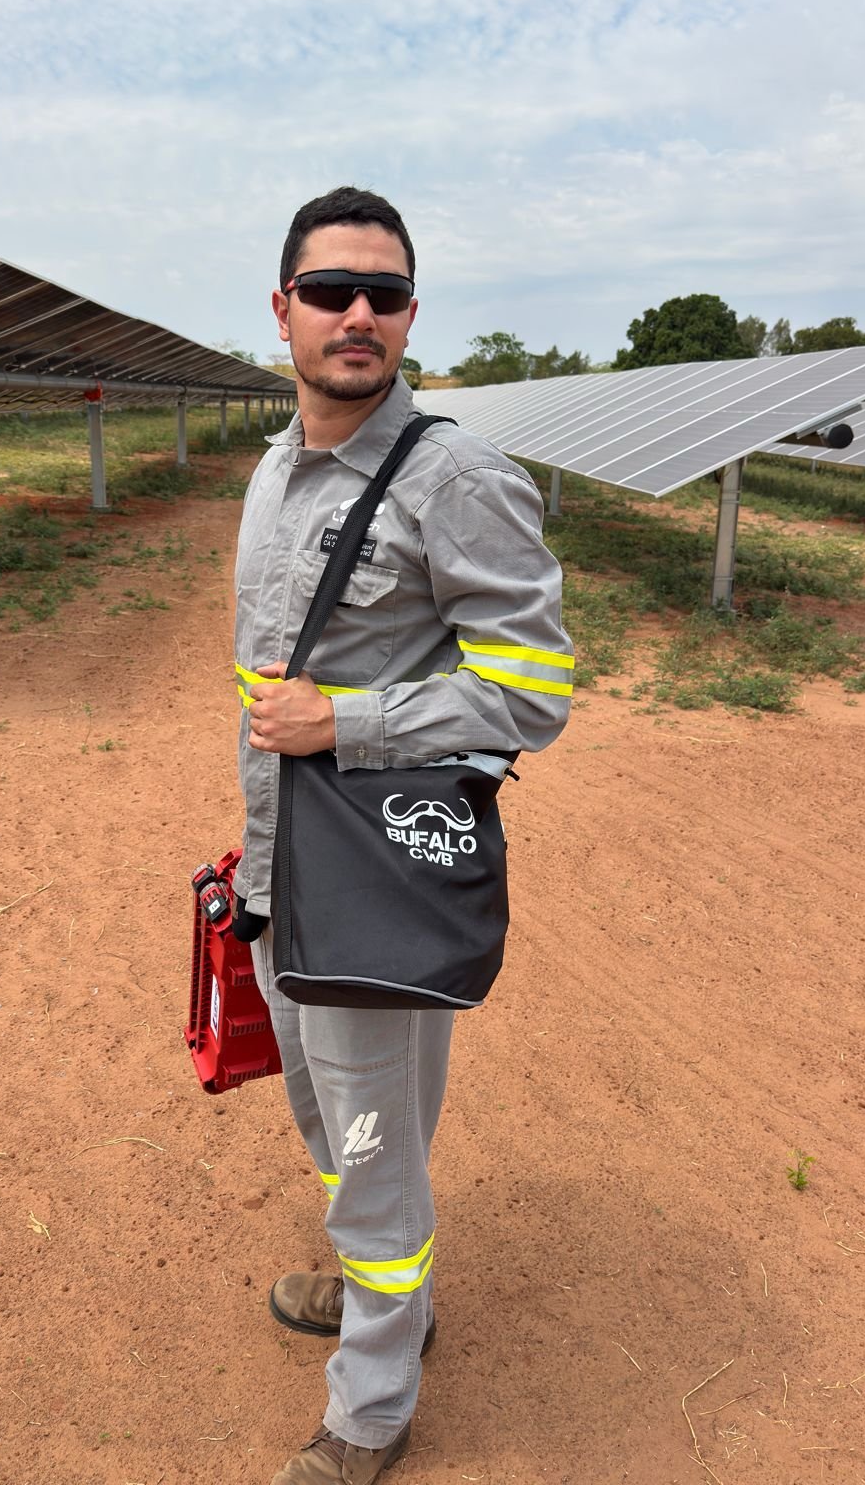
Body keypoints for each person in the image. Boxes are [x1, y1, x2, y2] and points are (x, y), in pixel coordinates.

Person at [233, 187, 572, 1484]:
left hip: (376, 875)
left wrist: (355, 723)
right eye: (331, 290)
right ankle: (395, 1301)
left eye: (385, 291)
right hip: (284, 870)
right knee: (323, 1116)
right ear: (285, 312)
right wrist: (252, 843)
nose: (358, 312)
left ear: (412, 314)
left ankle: (371, 1408)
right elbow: (268, 686)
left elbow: (530, 690)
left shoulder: (457, 479)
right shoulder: (273, 469)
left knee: (373, 1152)